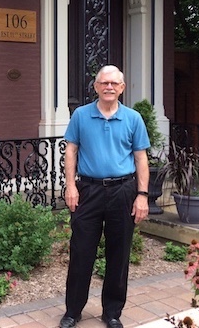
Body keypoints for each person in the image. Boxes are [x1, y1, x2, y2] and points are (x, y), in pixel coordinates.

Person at [59, 65, 150, 328]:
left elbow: (141, 158)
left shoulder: (133, 119)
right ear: (96, 86)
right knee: (81, 252)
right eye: (104, 83)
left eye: (114, 83)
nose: (109, 87)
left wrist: (142, 195)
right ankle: (73, 312)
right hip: (88, 191)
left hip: (123, 191)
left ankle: (112, 312)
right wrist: (70, 186)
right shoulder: (81, 115)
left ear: (122, 88)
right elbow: (71, 151)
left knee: (119, 255)